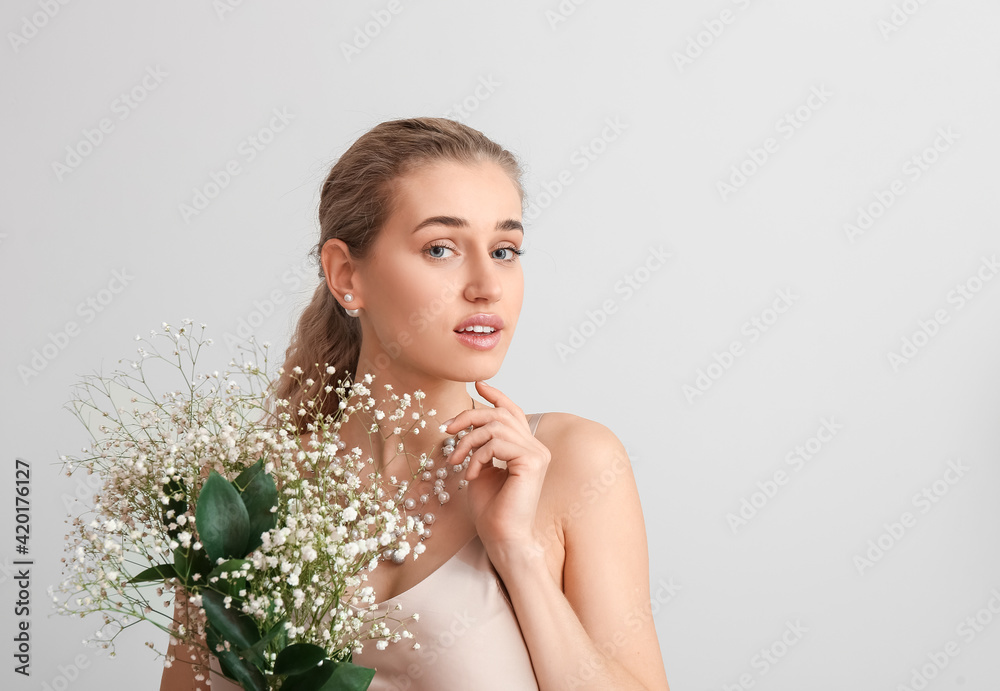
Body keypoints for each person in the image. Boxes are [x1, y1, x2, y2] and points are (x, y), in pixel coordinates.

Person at [160, 117, 669, 690]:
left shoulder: (574, 463)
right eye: (441, 248)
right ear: (346, 274)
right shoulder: (240, 490)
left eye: (505, 250)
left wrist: (517, 553)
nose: (487, 285)